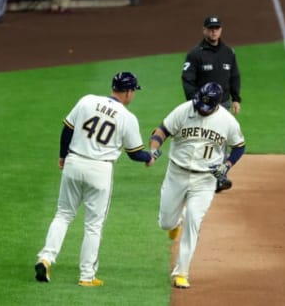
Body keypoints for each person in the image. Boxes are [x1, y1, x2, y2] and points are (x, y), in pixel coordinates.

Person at [34, 72, 157, 287]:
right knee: (93, 225)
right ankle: (86, 276)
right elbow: (135, 153)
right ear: (128, 92)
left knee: (63, 215)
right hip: (100, 170)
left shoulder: (87, 100)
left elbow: (67, 130)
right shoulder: (127, 117)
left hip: (74, 162)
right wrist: (150, 157)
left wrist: (63, 156)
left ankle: (45, 258)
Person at [149, 82, 245, 289]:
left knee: (194, 220)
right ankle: (175, 223)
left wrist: (227, 165)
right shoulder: (184, 110)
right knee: (165, 222)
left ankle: (181, 272)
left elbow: (239, 146)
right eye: (200, 103)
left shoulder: (227, 121)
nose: (201, 108)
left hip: (205, 180)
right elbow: (161, 130)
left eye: (206, 106)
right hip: (176, 173)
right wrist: (154, 149)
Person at [181, 15, 242, 193]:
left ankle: (219, 176)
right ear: (204, 30)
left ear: (221, 30)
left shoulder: (228, 52)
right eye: (211, 28)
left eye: (217, 28)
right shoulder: (195, 53)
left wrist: (236, 98)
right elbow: (187, 79)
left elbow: (234, 76)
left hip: (223, 104)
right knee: (200, 138)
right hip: (202, 106)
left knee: (220, 139)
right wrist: (195, 102)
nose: (214, 31)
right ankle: (194, 173)